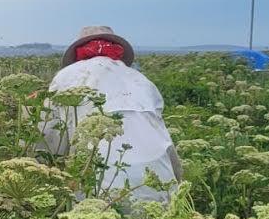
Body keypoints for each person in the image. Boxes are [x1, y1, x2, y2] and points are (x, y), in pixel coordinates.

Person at [39, 25, 182, 206]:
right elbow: (163, 137)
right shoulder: (141, 80)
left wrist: (43, 174)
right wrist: (178, 184)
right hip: (162, 188)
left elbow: (49, 138)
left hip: (100, 194)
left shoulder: (66, 77)